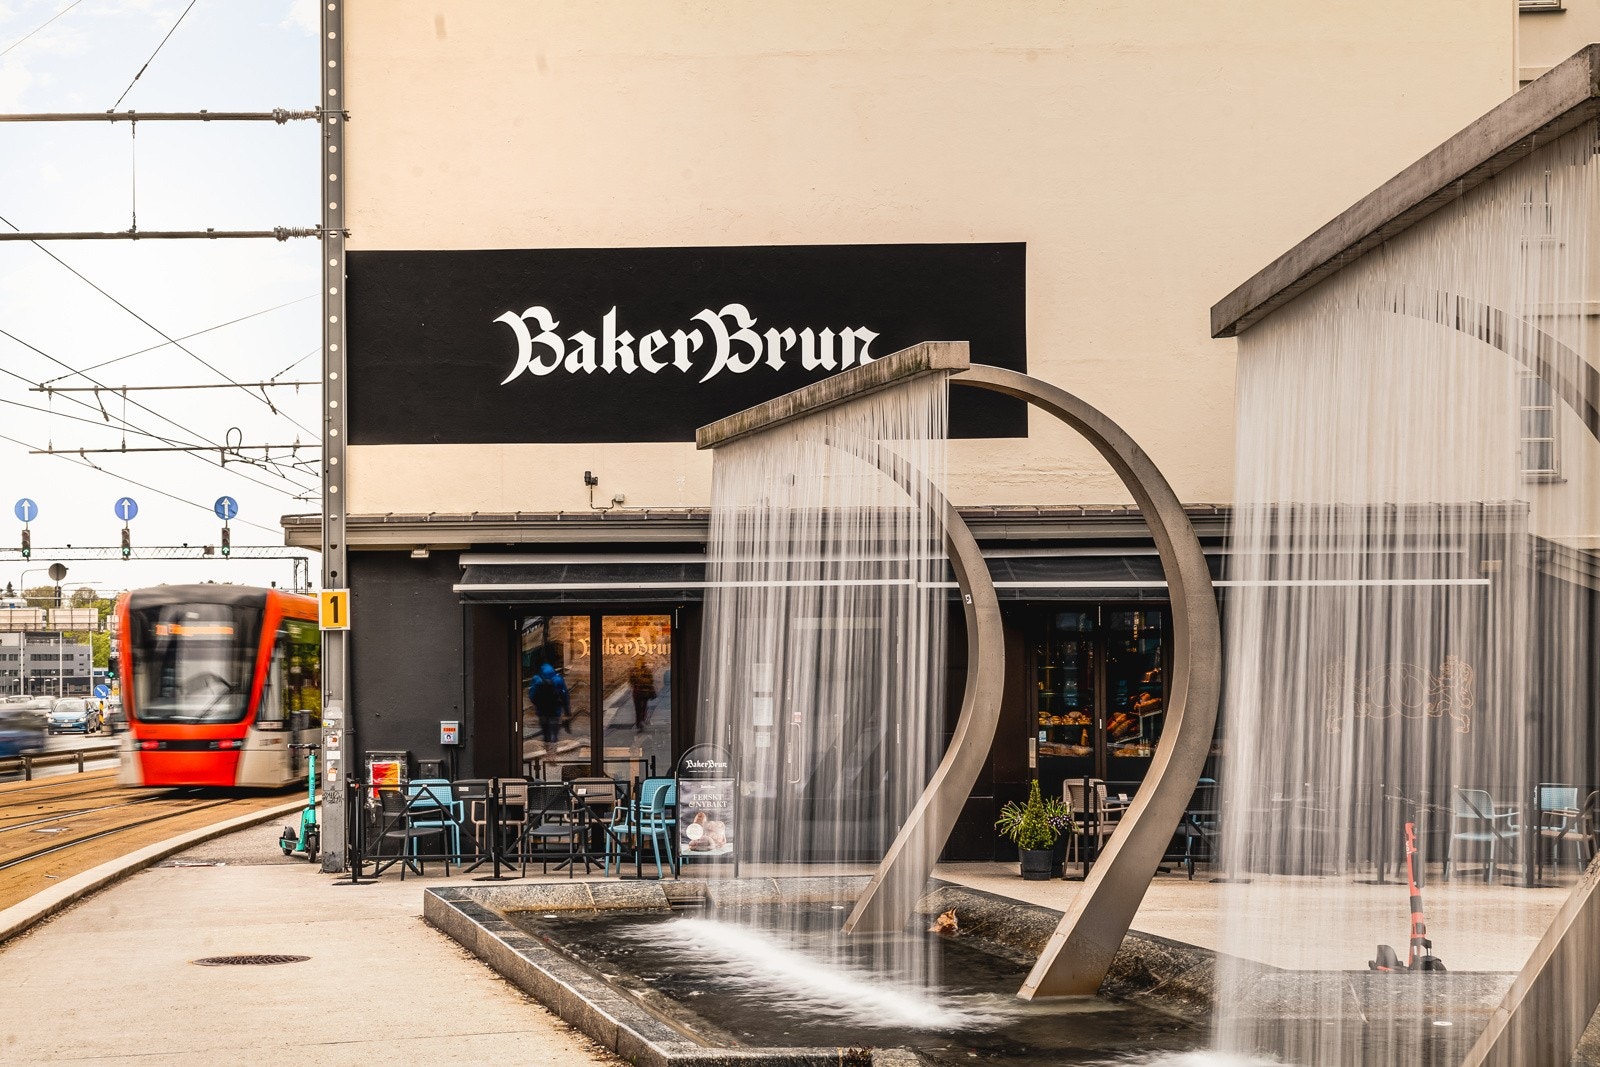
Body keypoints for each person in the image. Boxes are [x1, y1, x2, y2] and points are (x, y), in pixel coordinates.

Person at [527, 663, 570, 744]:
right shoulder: (558, 679)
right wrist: (567, 711)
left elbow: (531, 695)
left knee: (545, 731)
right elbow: (564, 696)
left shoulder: (536, 679)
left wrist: (537, 704)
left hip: (542, 710)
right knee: (554, 731)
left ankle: (547, 743)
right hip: (555, 710)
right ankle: (554, 744)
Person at [627, 656, 656, 730]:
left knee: (643, 707)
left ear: (642, 663)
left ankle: (642, 720)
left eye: (640, 662)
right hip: (636, 692)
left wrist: (640, 680)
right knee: (637, 708)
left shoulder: (647, 670)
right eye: (637, 662)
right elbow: (631, 681)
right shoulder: (633, 671)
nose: (638, 663)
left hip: (644, 692)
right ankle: (638, 723)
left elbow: (651, 681)